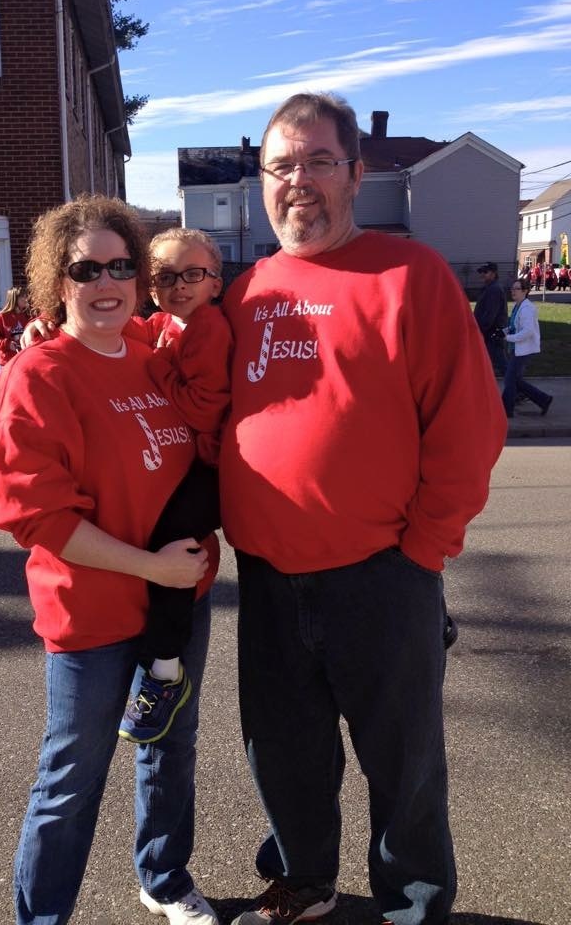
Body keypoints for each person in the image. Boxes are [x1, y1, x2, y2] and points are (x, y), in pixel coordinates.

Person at [220, 93, 507, 925]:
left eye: (317, 162)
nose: (297, 181)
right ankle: (305, 882)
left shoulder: (407, 276)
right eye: (281, 165)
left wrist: (425, 549)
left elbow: (467, 426)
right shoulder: (250, 291)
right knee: (284, 752)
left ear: (354, 173)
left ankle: (413, 901)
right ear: (260, 182)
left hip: (382, 573)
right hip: (269, 576)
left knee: (402, 759)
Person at [0, 193, 221, 925]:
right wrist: (153, 569)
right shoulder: (39, 376)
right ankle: (43, 916)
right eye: (88, 269)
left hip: (178, 600)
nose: (107, 281)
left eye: (122, 265)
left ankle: (164, 877)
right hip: (92, 614)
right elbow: (39, 518)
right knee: (72, 779)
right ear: (60, 282)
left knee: (171, 748)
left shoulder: (153, 358)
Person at [118, 227, 233, 743]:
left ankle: (165, 670)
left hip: (212, 470)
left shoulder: (208, 326)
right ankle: (157, 654)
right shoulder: (170, 323)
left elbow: (203, 409)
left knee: (172, 549)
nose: (179, 285)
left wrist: (158, 366)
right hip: (191, 466)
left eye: (193, 274)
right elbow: (135, 331)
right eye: (165, 276)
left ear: (215, 281)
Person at [501, 279, 553, 418]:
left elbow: (528, 331)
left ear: (525, 291)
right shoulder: (518, 306)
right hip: (517, 348)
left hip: (523, 349)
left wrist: (509, 338)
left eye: (516, 289)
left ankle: (506, 409)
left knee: (509, 379)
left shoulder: (527, 308)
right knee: (515, 380)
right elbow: (515, 325)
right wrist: (504, 331)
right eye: (512, 289)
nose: (513, 291)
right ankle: (543, 399)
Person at [473, 261, 508, 376]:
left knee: (504, 368)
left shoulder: (494, 290)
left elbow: (489, 316)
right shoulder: (489, 288)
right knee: (501, 368)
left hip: (492, 336)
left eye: (485, 272)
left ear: (494, 273)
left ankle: (535, 394)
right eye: (481, 272)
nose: (482, 274)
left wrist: (478, 331)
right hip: (489, 335)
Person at [0, 286, 31, 365]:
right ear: (14, 299)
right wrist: (8, 344)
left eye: (26, 296)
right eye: (22, 297)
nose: (26, 299)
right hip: (7, 361)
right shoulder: (1, 317)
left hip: (23, 359)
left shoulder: (27, 316)